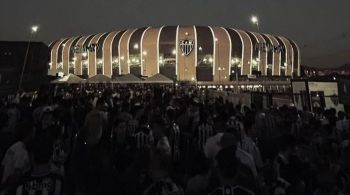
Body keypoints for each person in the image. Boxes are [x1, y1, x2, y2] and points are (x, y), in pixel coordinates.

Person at [0, 121, 33, 189]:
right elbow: (16, 176)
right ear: (29, 134)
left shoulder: (14, 146)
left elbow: (3, 166)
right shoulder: (22, 151)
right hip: (11, 189)